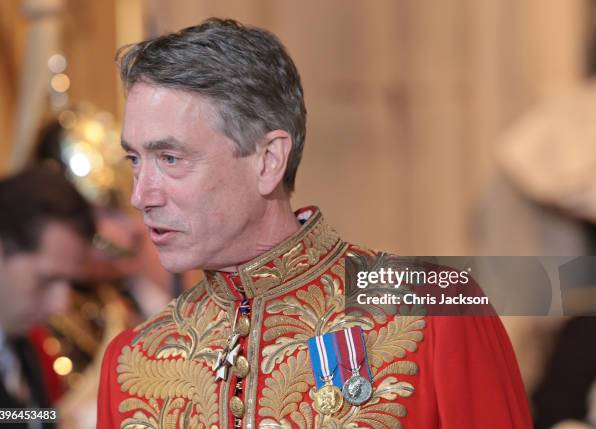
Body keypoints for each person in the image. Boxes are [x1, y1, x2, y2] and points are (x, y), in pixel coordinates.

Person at [97, 18, 532, 428]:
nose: (141, 196)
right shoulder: (132, 361)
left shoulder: (432, 308)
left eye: (170, 159)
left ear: (268, 161)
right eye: (135, 160)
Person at [0, 167, 95, 429]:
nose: (62, 304)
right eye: (46, 280)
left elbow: (7, 415)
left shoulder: (25, 341)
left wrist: (69, 418)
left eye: (70, 283)